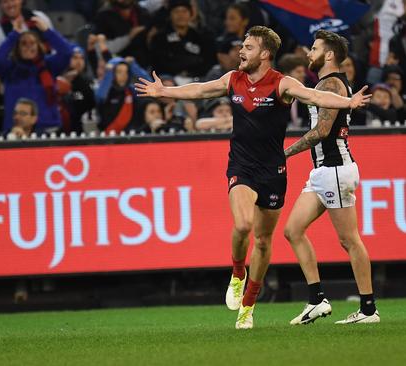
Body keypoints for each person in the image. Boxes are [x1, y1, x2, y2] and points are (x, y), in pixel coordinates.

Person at [135, 25, 371, 329]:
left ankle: (248, 305)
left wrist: (347, 103)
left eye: (247, 46)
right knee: (243, 224)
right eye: (241, 46)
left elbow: (314, 95)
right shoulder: (233, 79)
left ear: (265, 53)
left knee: (262, 241)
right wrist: (165, 91)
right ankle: (237, 273)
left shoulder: (282, 83)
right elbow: (200, 89)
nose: (241, 51)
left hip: (272, 171)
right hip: (241, 167)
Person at [283, 30, 380, 325]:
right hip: (324, 172)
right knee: (293, 230)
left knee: (349, 240)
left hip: (335, 169)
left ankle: (367, 309)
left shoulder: (331, 83)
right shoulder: (328, 84)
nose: (308, 53)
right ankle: (316, 300)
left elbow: (322, 131)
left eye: (314, 48)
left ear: (328, 55)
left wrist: (284, 154)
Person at [0, 16, 73, 133]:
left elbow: (66, 53)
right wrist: (14, 34)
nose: (29, 46)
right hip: (16, 129)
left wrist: (47, 31)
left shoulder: (49, 65)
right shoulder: (10, 69)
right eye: (24, 44)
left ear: (38, 46)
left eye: (32, 43)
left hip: (47, 128)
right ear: (17, 48)